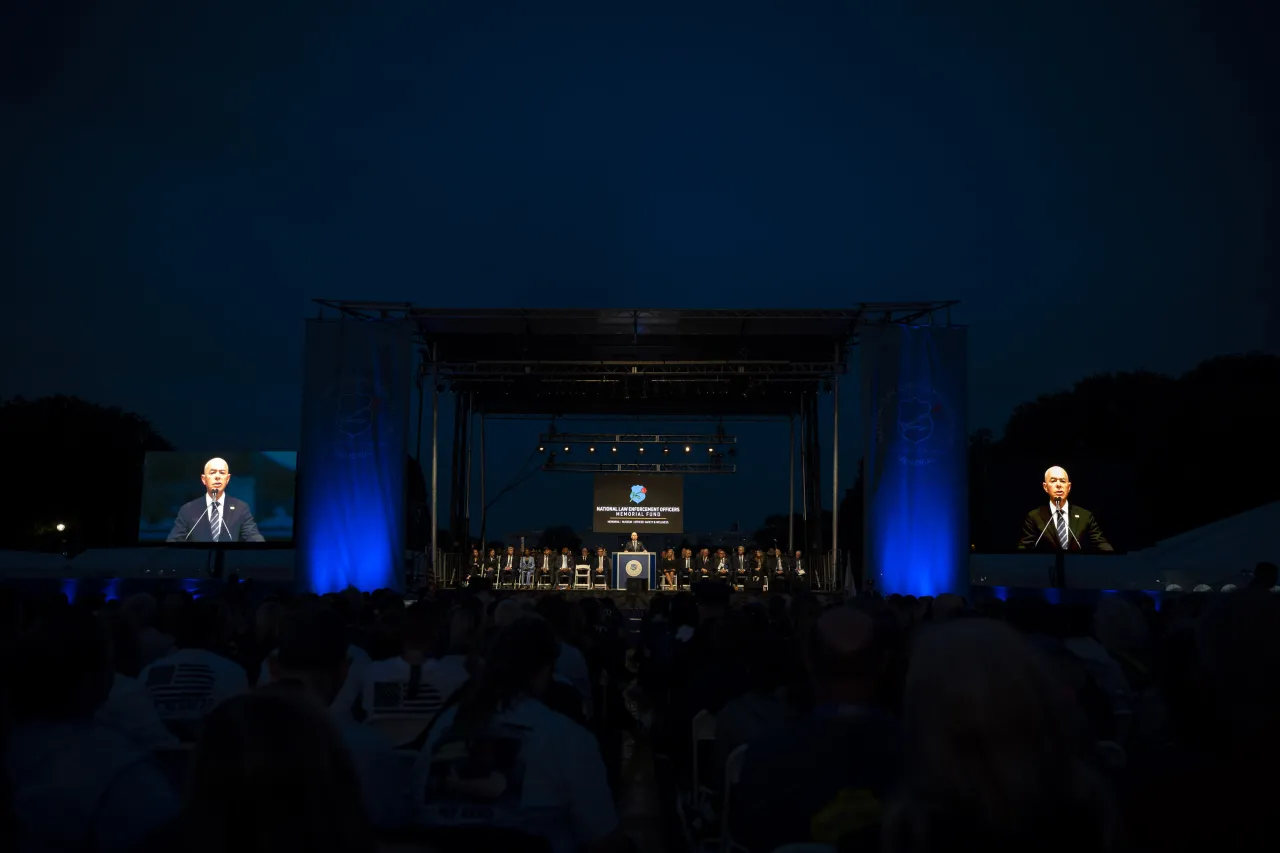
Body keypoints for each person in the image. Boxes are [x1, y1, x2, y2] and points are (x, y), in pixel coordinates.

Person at [166, 457, 265, 542]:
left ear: (227, 479)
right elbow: (174, 539)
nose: (217, 477)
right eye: (212, 473)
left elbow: (252, 535)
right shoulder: (188, 509)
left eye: (222, 473)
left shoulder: (241, 508)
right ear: (204, 479)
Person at [1017, 465, 1113, 552]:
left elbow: (1100, 544)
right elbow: (1024, 548)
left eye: (1062, 481)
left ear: (1069, 487)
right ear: (1045, 487)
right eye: (1053, 481)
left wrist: (1115, 558)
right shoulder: (1034, 517)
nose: (1058, 485)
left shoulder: (1085, 516)